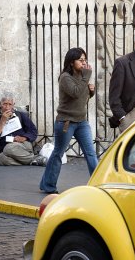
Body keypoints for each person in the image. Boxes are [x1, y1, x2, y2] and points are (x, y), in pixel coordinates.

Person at [39, 47, 98, 194]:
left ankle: (98, 185)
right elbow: (75, 93)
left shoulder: (82, 77)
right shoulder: (65, 77)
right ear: (72, 62)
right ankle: (48, 185)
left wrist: (91, 92)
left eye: (85, 60)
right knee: (58, 153)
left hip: (81, 121)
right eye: (81, 60)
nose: (84, 63)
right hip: (66, 122)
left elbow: (82, 98)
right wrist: (86, 79)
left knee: (90, 153)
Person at [0, 95, 47, 166]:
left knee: (8, 148)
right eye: (5, 104)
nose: (7, 107)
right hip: (5, 147)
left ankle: (32, 158)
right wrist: (2, 121)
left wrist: (24, 138)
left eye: (10, 104)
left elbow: (33, 131)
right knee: (2, 158)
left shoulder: (20, 115)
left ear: (13, 105)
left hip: (22, 145)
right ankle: (33, 160)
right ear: (0, 104)